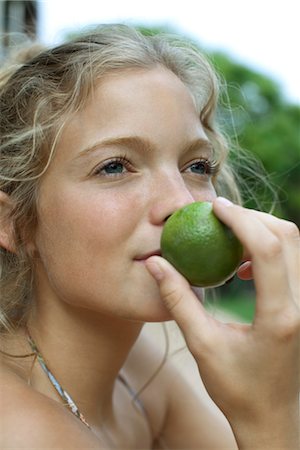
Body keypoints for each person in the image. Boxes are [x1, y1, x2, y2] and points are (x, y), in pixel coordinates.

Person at [0, 24, 299, 449]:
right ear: (14, 223)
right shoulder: (22, 433)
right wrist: (269, 414)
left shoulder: (136, 372)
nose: (181, 202)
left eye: (196, 166)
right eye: (115, 167)